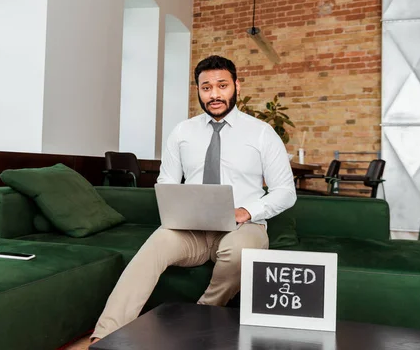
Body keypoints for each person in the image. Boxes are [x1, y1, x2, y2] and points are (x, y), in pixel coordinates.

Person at [91, 55, 296, 343]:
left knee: (239, 252)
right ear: (198, 90)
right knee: (155, 246)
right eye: (206, 87)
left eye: (222, 85)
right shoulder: (182, 132)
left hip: (244, 228)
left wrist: (246, 211)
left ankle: (201, 316)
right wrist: (178, 207)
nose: (214, 94)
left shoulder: (262, 134)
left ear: (237, 86)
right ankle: (105, 336)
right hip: (192, 229)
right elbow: (166, 182)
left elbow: (286, 192)